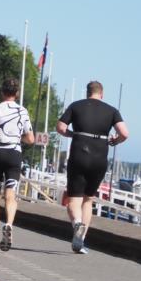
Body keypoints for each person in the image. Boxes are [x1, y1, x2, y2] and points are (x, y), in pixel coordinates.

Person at [56, 80, 129, 254]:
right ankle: (80, 241)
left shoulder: (76, 106)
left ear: (87, 93)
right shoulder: (112, 110)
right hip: (99, 157)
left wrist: (72, 134)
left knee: (74, 200)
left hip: (79, 153)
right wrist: (114, 141)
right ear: (101, 94)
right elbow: (124, 133)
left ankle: (77, 224)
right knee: (88, 199)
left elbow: (60, 127)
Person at [0, 78, 36, 252]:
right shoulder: (23, 111)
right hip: (15, 153)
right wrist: (16, 137)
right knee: (11, 195)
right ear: (17, 93)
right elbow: (30, 139)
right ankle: (9, 223)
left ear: (2, 92)